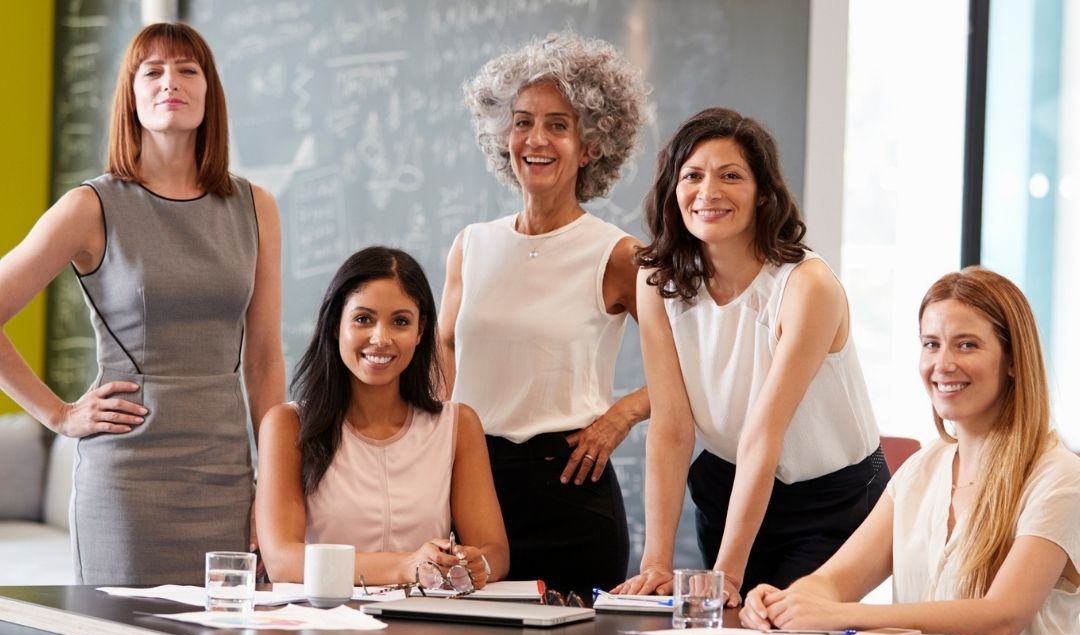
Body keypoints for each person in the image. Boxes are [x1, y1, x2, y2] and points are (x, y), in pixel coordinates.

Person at [0, 23, 283, 586]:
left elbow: (266, 362)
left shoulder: (256, 206)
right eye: (150, 71)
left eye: (186, 69)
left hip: (226, 479)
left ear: (210, 91)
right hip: (125, 484)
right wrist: (58, 415)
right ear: (131, 95)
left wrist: (273, 487)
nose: (168, 82)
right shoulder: (90, 206)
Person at [615, 108, 887, 603]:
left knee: (783, 634)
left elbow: (765, 435)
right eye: (692, 176)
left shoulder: (808, 287)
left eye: (731, 176)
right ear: (673, 191)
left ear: (764, 192)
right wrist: (655, 562)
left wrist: (728, 577)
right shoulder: (658, 280)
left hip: (831, 499)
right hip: (728, 485)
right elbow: (673, 426)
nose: (708, 192)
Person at [740, 267, 1080, 635]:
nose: (943, 363)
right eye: (931, 344)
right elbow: (831, 583)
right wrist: (784, 604)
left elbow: (1000, 618)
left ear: (1013, 361)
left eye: (967, 345)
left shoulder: (1059, 479)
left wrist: (842, 615)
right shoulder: (922, 469)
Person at [439, 33, 650, 596]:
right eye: (523, 121)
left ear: (592, 145)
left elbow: (689, 369)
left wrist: (620, 416)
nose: (536, 139)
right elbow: (443, 354)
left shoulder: (619, 254)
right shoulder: (471, 244)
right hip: (470, 486)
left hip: (570, 492)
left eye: (558, 124)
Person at [256, 247, 508, 588]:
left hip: (427, 627)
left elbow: (494, 551)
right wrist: (406, 566)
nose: (381, 338)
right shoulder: (287, 425)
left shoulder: (457, 425)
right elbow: (283, 560)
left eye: (401, 322)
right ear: (335, 326)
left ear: (420, 333)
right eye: (363, 319)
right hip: (326, 627)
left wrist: (476, 565)